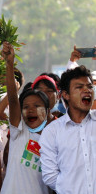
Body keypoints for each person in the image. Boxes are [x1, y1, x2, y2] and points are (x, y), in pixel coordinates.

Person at [0, 42, 50, 194]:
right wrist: (9, 64)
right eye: (26, 107)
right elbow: (13, 99)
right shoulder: (19, 131)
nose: (31, 110)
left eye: (37, 106)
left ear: (47, 112)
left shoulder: (55, 139)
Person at [40, 65, 95, 194]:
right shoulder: (51, 132)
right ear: (66, 94)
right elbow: (50, 176)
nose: (87, 90)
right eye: (79, 87)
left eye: (90, 87)